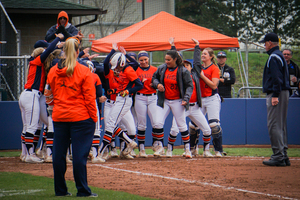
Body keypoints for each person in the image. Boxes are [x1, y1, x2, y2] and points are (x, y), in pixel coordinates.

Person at [45, 37, 98, 197]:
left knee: (59, 155)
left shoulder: (53, 70)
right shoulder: (83, 71)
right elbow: (90, 98)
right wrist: (94, 118)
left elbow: (49, 94)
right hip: (81, 117)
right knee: (79, 156)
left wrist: (56, 108)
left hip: (60, 117)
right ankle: (82, 190)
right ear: (77, 52)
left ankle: (60, 190)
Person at [18, 34, 64, 163]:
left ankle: (25, 154)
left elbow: (49, 51)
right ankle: (31, 154)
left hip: (26, 95)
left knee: (27, 126)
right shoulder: (37, 59)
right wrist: (58, 39)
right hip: (32, 95)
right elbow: (48, 51)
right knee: (32, 126)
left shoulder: (33, 61)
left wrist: (57, 45)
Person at [168, 38, 212, 158]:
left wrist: (197, 46)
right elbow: (176, 60)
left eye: (188, 65)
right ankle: (169, 150)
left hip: (195, 108)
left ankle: (207, 151)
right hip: (183, 107)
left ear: (191, 67)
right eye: (184, 64)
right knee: (174, 130)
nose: (186, 66)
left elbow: (197, 62)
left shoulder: (195, 74)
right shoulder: (180, 73)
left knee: (207, 130)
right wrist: (173, 46)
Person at [152, 50, 194, 158]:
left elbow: (190, 86)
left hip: (178, 100)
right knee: (157, 123)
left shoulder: (183, 71)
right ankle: (160, 147)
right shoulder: (162, 68)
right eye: (165, 59)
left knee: (181, 125)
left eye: (169, 60)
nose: (166, 61)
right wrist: (158, 85)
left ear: (175, 59)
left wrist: (186, 98)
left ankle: (187, 149)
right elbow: (154, 78)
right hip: (164, 100)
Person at [259, 33, 291, 167]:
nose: (264, 45)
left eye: (265, 43)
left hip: (277, 92)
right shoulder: (279, 55)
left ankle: (278, 156)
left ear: (270, 43)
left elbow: (276, 78)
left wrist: (275, 95)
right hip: (283, 92)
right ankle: (283, 155)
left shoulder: (273, 57)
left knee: (274, 125)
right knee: (281, 125)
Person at [133, 50, 160, 158]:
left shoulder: (155, 69)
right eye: (141, 60)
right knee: (141, 124)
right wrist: (140, 82)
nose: (143, 62)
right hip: (140, 96)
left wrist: (155, 85)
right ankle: (142, 149)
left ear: (148, 59)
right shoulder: (136, 69)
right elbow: (133, 83)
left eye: (145, 59)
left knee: (156, 122)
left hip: (153, 96)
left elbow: (158, 82)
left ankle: (155, 144)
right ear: (138, 60)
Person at [199, 47, 224, 157]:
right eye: (202, 54)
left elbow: (214, 85)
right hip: (200, 98)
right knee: (193, 125)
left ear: (211, 56)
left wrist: (202, 76)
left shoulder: (214, 68)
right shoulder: (198, 67)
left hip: (212, 98)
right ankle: (193, 149)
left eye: (205, 54)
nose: (203, 55)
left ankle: (218, 150)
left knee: (214, 125)